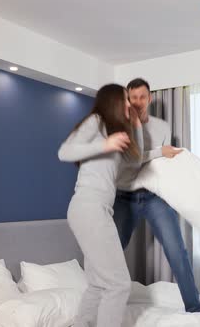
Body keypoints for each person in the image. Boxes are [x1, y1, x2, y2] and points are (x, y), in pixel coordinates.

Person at [113, 78, 200, 312]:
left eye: (142, 97)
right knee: (110, 250)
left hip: (155, 197)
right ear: (128, 99)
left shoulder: (162, 127)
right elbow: (129, 162)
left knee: (177, 250)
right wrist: (158, 152)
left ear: (150, 98)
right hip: (125, 197)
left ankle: (194, 308)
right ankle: (96, 300)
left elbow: (162, 164)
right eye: (133, 97)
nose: (138, 102)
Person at [58, 84, 143, 327]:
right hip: (88, 207)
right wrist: (104, 145)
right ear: (114, 100)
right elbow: (64, 152)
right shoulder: (96, 121)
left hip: (98, 210)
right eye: (126, 99)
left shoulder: (115, 134)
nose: (130, 104)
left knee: (98, 283)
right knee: (118, 284)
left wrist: (136, 127)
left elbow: (135, 163)